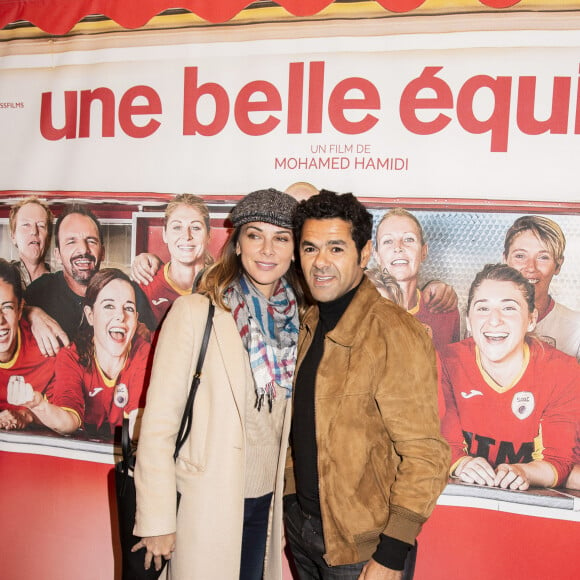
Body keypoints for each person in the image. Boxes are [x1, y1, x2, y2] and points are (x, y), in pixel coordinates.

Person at [133, 188, 303, 579]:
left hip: (266, 502)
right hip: (205, 501)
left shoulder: (298, 320)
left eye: (281, 238)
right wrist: (158, 519)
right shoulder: (196, 312)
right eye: (255, 235)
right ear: (237, 244)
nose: (267, 249)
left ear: (294, 250)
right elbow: (160, 422)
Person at [285, 190, 450, 580]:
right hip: (305, 531)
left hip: (366, 548)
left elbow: (426, 456)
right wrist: (293, 498)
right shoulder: (311, 321)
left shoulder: (394, 330)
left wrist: (392, 552)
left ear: (363, 255)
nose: (320, 262)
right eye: (310, 248)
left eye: (336, 249)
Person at [440, 263, 580, 490]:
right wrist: (462, 463)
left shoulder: (562, 370)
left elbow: (559, 460)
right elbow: (442, 445)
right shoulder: (445, 362)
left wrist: (523, 471)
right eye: (483, 308)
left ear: (531, 319)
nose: (494, 320)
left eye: (509, 308)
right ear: (468, 320)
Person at [8, 268, 151, 439]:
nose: (120, 316)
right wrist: (37, 404)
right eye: (109, 306)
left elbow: (139, 422)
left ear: (136, 318)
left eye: (128, 308)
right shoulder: (72, 356)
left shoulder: (143, 353)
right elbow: (69, 423)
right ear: (90, 315)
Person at [24, 204, 154, 354]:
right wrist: (31, 313)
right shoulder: (40, 291)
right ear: (57, 255)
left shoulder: (129, 292)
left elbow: (158, 346)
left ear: (103, 252)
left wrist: (147, 336)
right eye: (71, 241)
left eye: (91, 241)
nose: (83, 249)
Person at [375, 208, 460, 350]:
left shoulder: (444, 309)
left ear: (423, 252)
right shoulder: (359, 312)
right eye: (388, 241)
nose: (398, 248)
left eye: (409, 239)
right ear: (377, 255)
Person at [503, 214, 580, 361]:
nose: (530, 267)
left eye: (543, 257)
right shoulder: (483, 318)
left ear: (558, 265)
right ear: (505, 259)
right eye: (520, 256)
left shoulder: (577, 327)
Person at [138, 194, 213, 328]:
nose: (186, 236)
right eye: (177, 227)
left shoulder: (224, 287)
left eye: (195, 227)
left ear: (208, 235)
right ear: (164, 234)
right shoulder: (146, 284)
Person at [0, 260, 56, 431]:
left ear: (20, 309)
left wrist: (27, 415)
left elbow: (67, 413)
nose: (0, 320)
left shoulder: (45, 348)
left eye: (7, 307)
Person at [9, 197, 53, 287]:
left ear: (48, 238)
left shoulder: (63, 284)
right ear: (13, 236)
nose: (34, 231)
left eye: (41, 225)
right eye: (26, 225)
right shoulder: (2, 277)